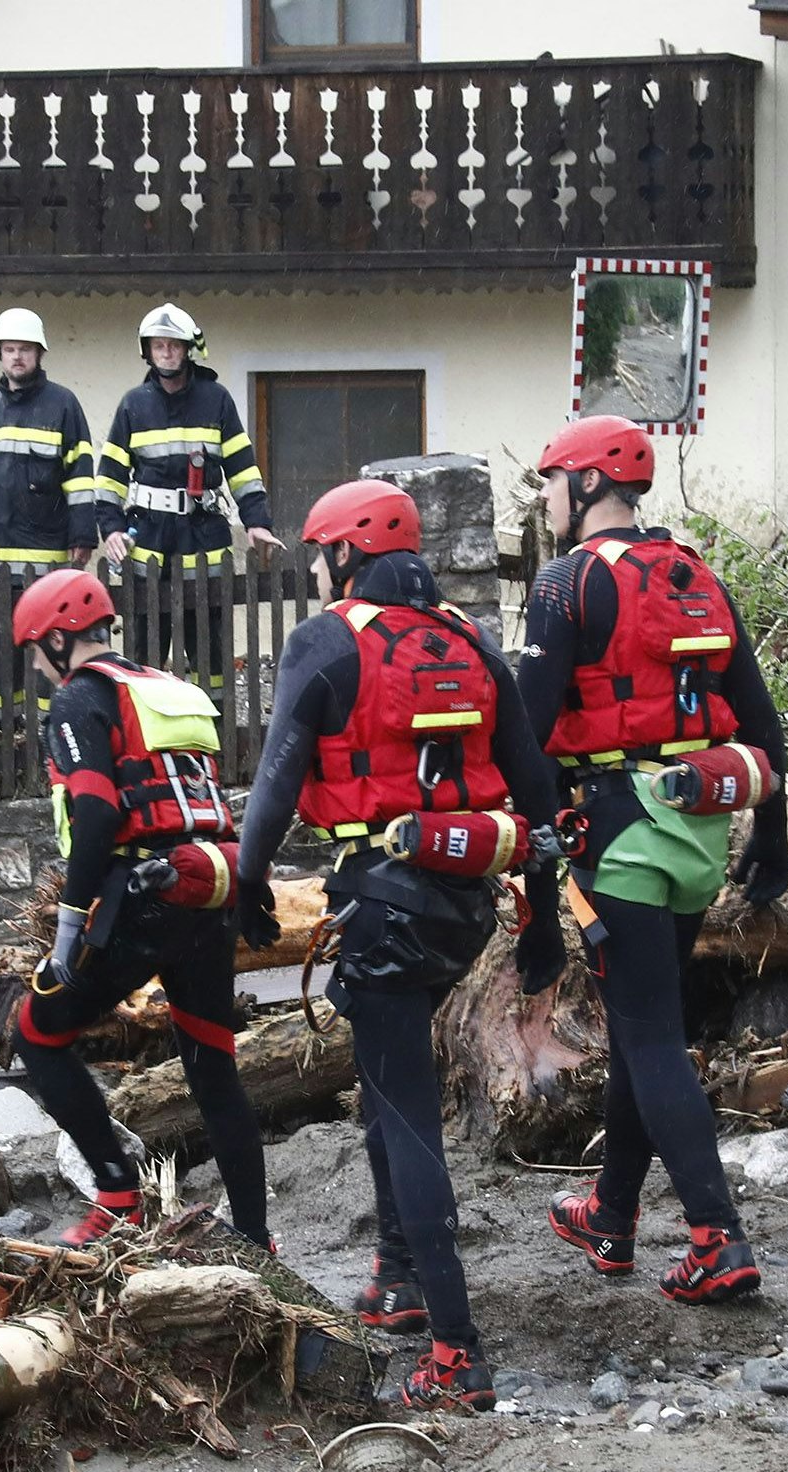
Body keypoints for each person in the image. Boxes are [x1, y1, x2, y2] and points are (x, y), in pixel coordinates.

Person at [236, 479, 568, 1412]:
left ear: (345, 552)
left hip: (383, 905)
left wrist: (246, 884)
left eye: (321, 554)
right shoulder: (468, 641)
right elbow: (537, 797)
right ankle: (396, 1275)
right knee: (388, 1097)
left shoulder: (327, 640)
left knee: (407, 1112)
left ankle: (457, 1353)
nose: (317, 571)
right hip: (462, 904)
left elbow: (275, 776)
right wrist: (542, 920)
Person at [520, 414, 788, 1306]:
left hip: (619, 830)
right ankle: (612, 1212)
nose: (547, 501)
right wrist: (773, 837)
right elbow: (761, 722)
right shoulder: (695, 576)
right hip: (700, 835)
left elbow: (526, 732)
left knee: (649, 1035)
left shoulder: (564, 586)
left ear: (589, 484)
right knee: (646, 1026)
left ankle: (719, 1237)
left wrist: (527, 861)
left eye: (551, 483)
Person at [8, 568, 273, 1251]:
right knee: (213, 1067)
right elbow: (205, 802)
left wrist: (68, 927)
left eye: (38, 650)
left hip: (143, 900)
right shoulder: (166, 689)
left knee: (36, 1033)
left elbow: (96, 814)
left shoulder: (79, 699)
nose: (38, 666)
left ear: (61, 641)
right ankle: (253, 1237)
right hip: (210, 891)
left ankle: (119, 1196)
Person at [93, 303, 282, 698]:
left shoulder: (217, 400)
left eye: (173, 345)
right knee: (145, 648)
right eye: (158, 345)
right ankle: (149, 734)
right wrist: (110, 528)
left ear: (188, 349)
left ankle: (213, 727)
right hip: (148, 541)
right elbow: (110, 476)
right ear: (147, 351)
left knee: (209, 648)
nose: (165, 352)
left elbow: (243, 468)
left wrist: (257, 521)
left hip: (204, 538)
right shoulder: (133, 404)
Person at [0, 308, 105, 720]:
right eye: (9, 349)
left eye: (24, 349)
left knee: (47, 639)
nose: (17, 357)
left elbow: (79, 474)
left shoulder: (63, 404)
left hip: (43, 553)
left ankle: (49, 722)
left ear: (39, 353)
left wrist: (82, 535)